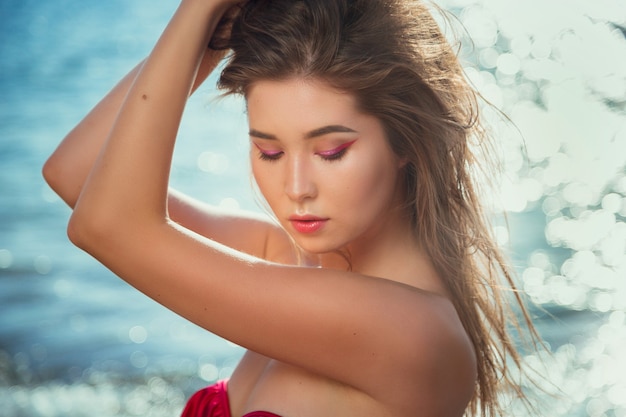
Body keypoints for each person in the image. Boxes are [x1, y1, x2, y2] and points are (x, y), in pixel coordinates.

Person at [43, 0, 538, 415]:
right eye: (270, 152)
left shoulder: (412, 333)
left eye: (330, 152)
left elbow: (105, 224)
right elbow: (76, 175)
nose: (295, 188)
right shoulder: (283, 258)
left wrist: (199, 8)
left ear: (405, 139)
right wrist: (213, 40)